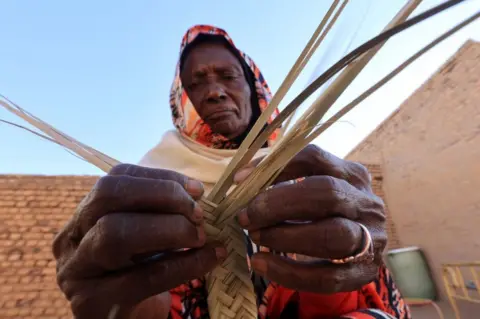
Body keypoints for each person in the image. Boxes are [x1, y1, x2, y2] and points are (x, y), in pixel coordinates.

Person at [53, 25, 411, 319]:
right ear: (180, 101)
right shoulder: (152, 183)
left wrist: (360, 246)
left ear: (256, 88)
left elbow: (363, 292)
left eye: (228, 76)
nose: (214, 92)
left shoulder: (312, 173)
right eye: (196, 83)